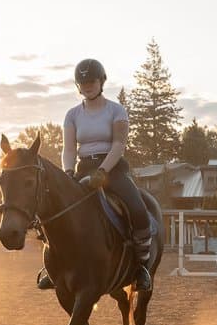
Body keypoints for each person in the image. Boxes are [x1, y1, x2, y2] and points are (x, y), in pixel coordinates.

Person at [36, 58, 153, 292]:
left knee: (139, 211)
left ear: (101, 81)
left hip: (113, 169)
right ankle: (54, 266)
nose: (87, 85)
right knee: (54, 211)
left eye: (92, 81)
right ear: (78, 85)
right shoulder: (72, 115)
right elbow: (69, 149)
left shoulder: (116, 110)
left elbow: (119, 144)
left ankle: (141, 267)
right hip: (83, 169)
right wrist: (68, 172)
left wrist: (103, 172)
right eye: (83, 82)